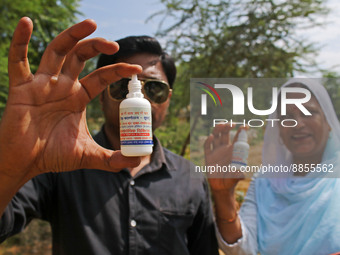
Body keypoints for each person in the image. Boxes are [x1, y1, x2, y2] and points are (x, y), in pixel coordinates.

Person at [0, 17, 219, 254]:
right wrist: (8, 168)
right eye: (122, 85)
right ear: (101, 94)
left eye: (155, 88)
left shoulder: (190, 178)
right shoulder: (59, 165)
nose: (141, 98)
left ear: (168, 98)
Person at [205, 79, 340, 255]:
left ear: (328, 122)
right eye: (287, 117)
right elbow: (243, 249)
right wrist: (223, 194)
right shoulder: (266, 181)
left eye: (309, 113)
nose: (298, 124)